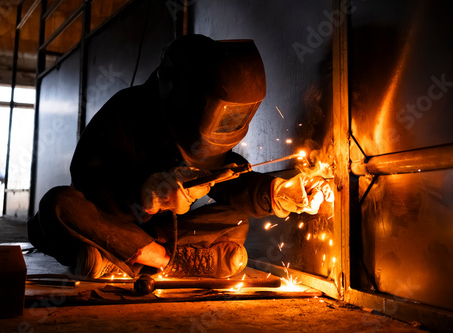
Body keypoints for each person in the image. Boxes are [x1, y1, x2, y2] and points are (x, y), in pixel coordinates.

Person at [27, 34, 333, 279]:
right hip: (111, 222)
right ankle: (163, 260)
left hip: (158, 233)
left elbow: (228, 180)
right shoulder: (124, 112)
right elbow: (88, 185)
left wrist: (278, 193)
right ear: (180, 93)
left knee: (235, 222)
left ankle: (123, 259)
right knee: (55, 207)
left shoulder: (201, 132)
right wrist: (146, 193)